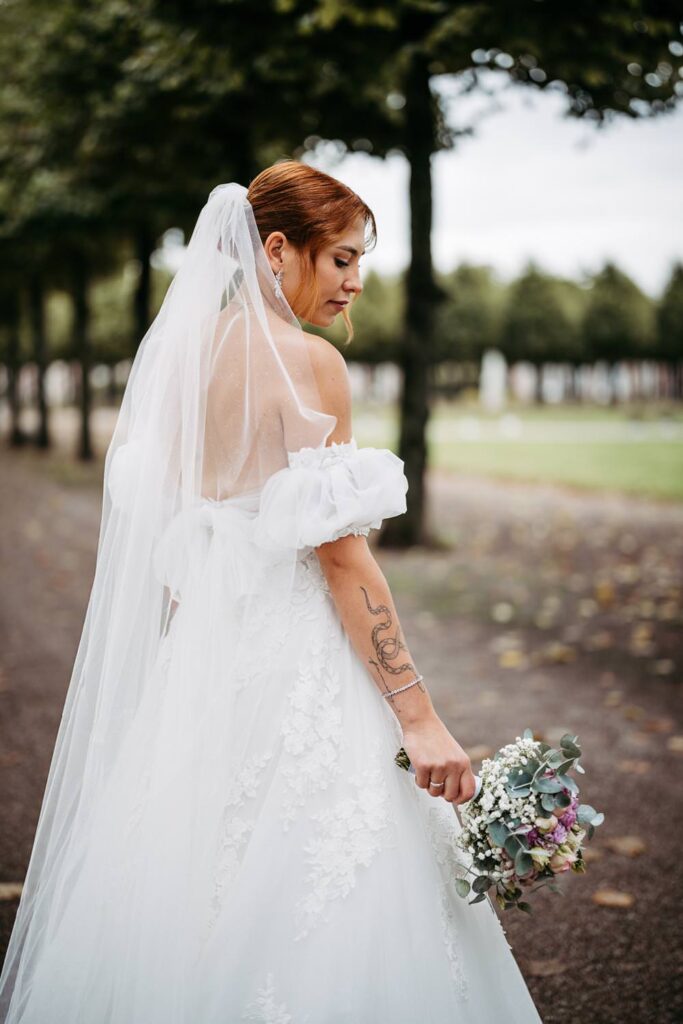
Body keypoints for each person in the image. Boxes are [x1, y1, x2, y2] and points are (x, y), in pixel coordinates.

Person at [0, 160, 543, 1023]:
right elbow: (341, 559)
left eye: (362, 261)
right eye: (341, 259)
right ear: (280, 249)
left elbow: (177, 539)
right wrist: (416, 713)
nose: (355, 282)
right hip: (295, 660)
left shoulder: (186, 361)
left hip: (206, 663)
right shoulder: (308, 366)